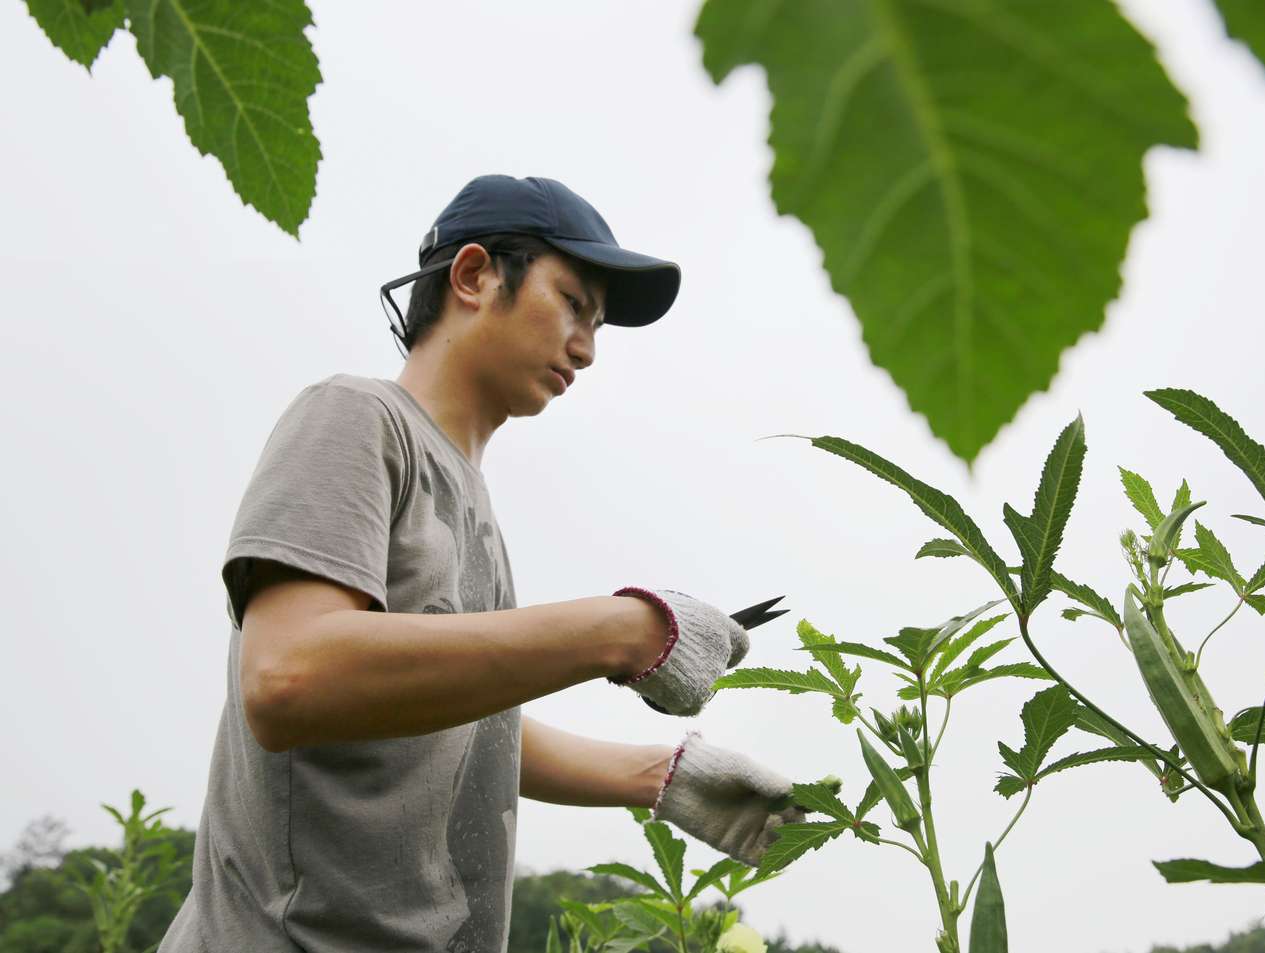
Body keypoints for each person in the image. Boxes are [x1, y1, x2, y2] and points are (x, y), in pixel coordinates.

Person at [158, 175, 805, 953]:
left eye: (599, 326)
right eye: (572, 303)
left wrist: (662, 778)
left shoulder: (476, 509)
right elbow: (290, 675)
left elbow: (462, 726)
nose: (589, 349)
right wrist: (623, 628)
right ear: (473, 276)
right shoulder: (356, 418)